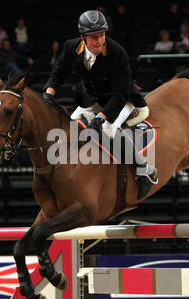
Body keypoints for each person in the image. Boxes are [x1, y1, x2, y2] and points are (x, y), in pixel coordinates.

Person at [43, 10, 158, 200]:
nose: (99, 41)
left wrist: (100, 118)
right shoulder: (71, 47)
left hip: (122, 100)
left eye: (102, 35)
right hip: (94, 98)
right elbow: (59, 72)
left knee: (108, 130)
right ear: (82, 37)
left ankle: (143, 169)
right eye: (94, 37)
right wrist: (49, 93)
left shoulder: (116, 52)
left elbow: (120, 94)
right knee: (71, 122)